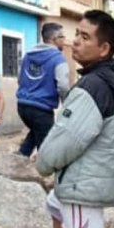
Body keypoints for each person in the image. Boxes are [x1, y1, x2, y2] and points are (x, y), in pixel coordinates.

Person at [36, 10, 114, 228]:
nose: (75, 41)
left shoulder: (93, 87)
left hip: (84, 187)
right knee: (55, 206)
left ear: (103, 49)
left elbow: (68, 139)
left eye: (85, 37)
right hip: (92, 178)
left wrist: (43, 163)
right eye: (76, 33)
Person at [17, 23, 70, 158]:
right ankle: (46, 175)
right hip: (41, 110)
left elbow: (19, 79)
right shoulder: (58, 58)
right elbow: (63, 85)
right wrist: (67, 105)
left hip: (22, 106)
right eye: (63, 37)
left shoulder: (28, 56)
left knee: (35, 133)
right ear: (54, 39)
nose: (65, 41)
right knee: (47, 147)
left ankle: (19, 159)